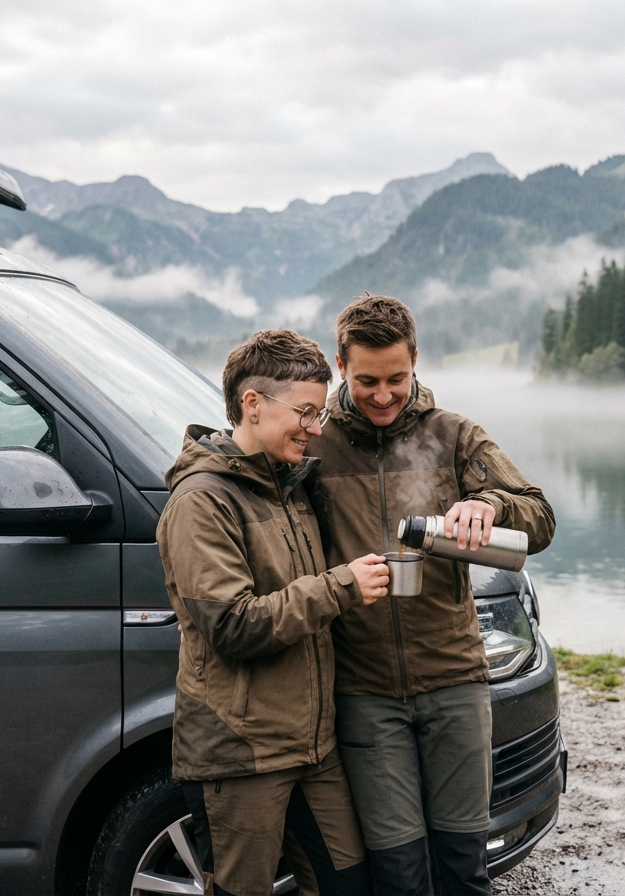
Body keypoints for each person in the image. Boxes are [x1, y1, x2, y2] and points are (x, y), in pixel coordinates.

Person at [305, 295, 556, 895]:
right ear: (341, 365)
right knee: (398, 874)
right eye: (367, 380)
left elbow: (539, 517)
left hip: (454, 682)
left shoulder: (455, 436)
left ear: (416, 359)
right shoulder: (316, 445)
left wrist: (489, 504)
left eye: (397, 378)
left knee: (464, 867)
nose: (384, 395)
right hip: (364, 690)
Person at [157, 328, 388, 896]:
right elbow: (232, 626)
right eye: (305, 413)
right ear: (252, 405)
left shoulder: (291, 488)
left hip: (314, 746)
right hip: (240, 754)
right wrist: (342, 587)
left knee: (348, 885)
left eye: (320, 414)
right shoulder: (201, 501)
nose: (314, 429)